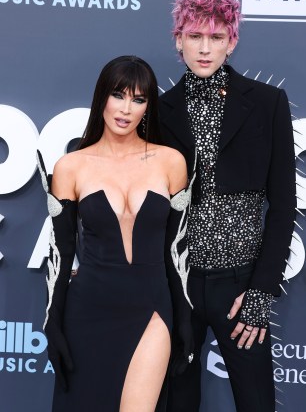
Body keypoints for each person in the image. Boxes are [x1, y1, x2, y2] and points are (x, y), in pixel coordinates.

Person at [159, 0, 296, 412]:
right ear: (178, 40)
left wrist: (260, 292)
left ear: (231, 42)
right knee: (176, 401)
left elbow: (283, 205)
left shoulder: (269, 103)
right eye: (194, 36)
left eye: (216, 37)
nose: (204, 47)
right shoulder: (159, 112)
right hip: (175, 285)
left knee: (256, 403)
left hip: (240, 285)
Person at [37, 55, 194, 412]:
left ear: (148, 107)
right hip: (87, 311)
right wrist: (52, 323)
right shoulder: (71, 166)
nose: (126, 108)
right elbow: (59, 256)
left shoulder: (170, 162)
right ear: (101, 98)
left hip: (151, 309)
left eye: (138, 99)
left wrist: (184, 319)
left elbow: (176, 252)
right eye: (118, 95)